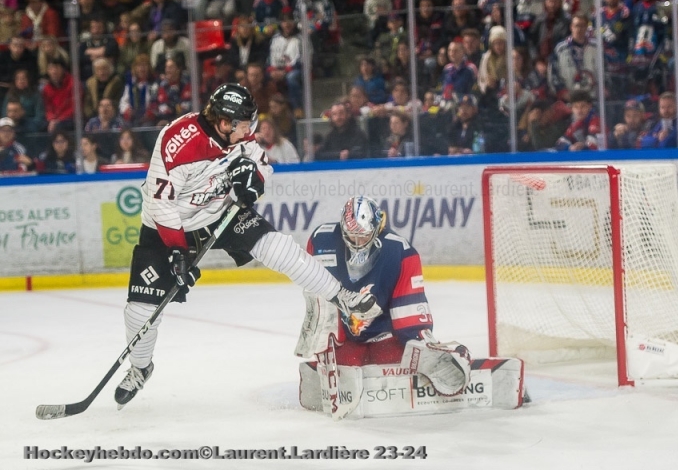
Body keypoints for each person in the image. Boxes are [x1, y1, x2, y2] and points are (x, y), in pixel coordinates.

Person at [114, 84, 381, 408]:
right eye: (244, 124)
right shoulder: (177, 141)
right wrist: (177, 253)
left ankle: (343, 297)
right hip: (167, 226)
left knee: (278, 248)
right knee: (140, 312)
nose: (249, 130)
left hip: (220, 213)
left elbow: (262, 167)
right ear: (225, 122)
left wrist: (254, 183)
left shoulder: (239, 138)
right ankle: (140, 368)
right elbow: (161, 205)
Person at [300, 196, 470, 397]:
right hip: (345, 339)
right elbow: (319, 301)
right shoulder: (321, 241)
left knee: (397, 367)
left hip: (386, 337)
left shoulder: (400, 252)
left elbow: (409, 308)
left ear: (377, 228)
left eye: (363, 236)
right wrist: (324, 344)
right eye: (351, 236)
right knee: (343, 370)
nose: (357, 243)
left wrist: (423, 346)